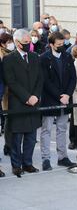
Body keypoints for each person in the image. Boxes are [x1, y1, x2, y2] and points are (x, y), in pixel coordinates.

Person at [3, 29, 44, 177]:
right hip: (18, 103)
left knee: (31, 137)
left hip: (34, 103)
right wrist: (27, 97)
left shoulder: (35, 57)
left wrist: (35, 96)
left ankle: (28, 163)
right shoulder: (8, 59)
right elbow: (11, 82)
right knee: (16, 137)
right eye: (25, 43)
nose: (28, 45)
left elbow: (40, 78)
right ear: (17, 42)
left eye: (29, 42)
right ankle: (16, 165)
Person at [39, 32, 76, 170]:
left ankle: (63, 157)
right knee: (46, 129)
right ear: (51, 45)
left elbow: (73, 78)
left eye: (63, 44)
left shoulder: (67, 56)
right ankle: (46, 159)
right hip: (50, 99)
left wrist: (67, 95)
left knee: (62, 129)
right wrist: (60, 96)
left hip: (66, 99)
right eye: (59, 44)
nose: (62, 46)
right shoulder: (44, 58)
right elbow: (45, 81)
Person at [0, 32, 14, 156]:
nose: (11, 44)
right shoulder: (2, 55)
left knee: (11, 119)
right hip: (5, 92)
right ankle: (8, 145)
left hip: (13, 91)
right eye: (9, 42)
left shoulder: (12, 54)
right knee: (8, 119)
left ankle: (10, 145)